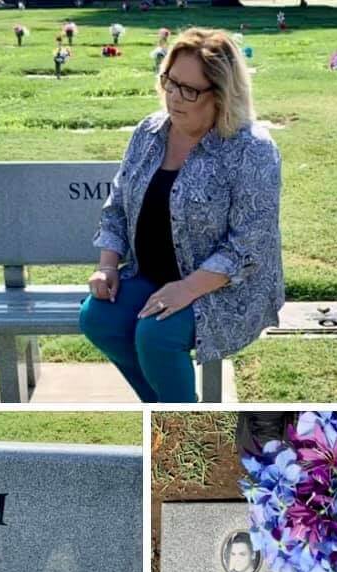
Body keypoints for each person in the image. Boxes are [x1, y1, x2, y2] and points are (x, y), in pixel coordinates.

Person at [80, 27, 284, 403]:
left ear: (222, 95)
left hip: (226, 289)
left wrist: (187, 288)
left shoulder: (251, 149)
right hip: (154, 276)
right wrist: (107, 265)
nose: (173, 96)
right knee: (98, 318)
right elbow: (118, 204)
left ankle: (181, 429)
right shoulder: (149, 131)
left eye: (189, 90)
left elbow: (249, 246)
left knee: (156, 335)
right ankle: (166, 411)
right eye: (170, 82)